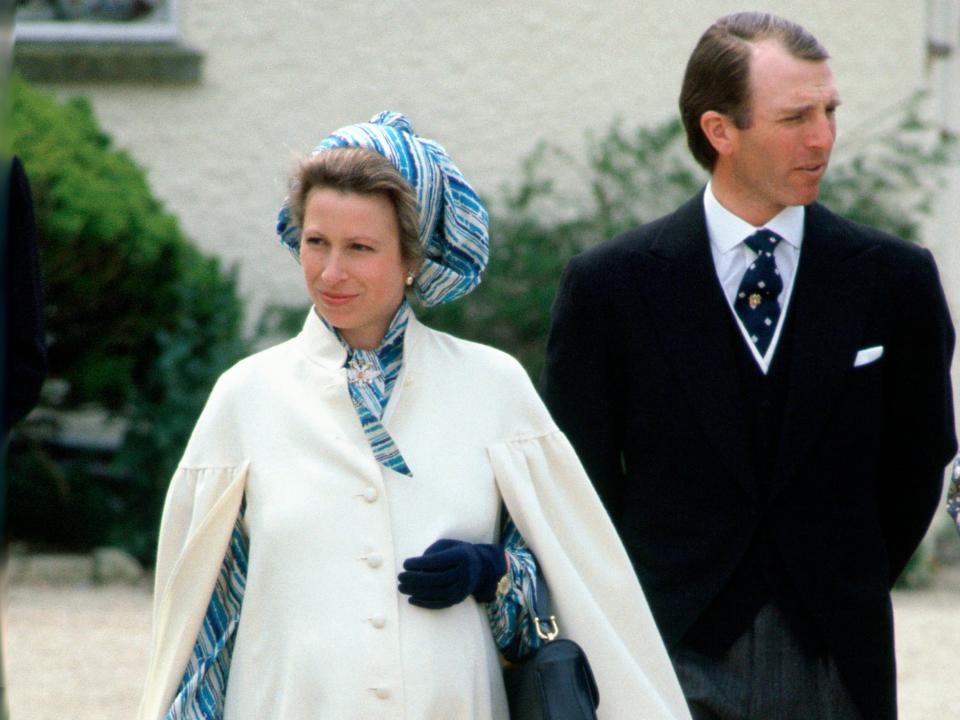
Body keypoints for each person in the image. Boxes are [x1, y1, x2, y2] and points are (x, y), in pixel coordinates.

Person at [137, 112, 691, 720]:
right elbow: (204, 632)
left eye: (360, 248)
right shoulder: (244, 397)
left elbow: (571, 598)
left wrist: (494, 572)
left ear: (412, 258)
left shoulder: (493, 387)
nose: (330, 272)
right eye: (316, 241)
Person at [541, 12, 956, 720]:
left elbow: (918, 462)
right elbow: (579, 483)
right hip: (668, 651)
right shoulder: (610, 287)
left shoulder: (895, 279)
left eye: (829, 111)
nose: (823, 137)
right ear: (719, 131)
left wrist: (841, 580)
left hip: (837, 659)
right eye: (796, 117)